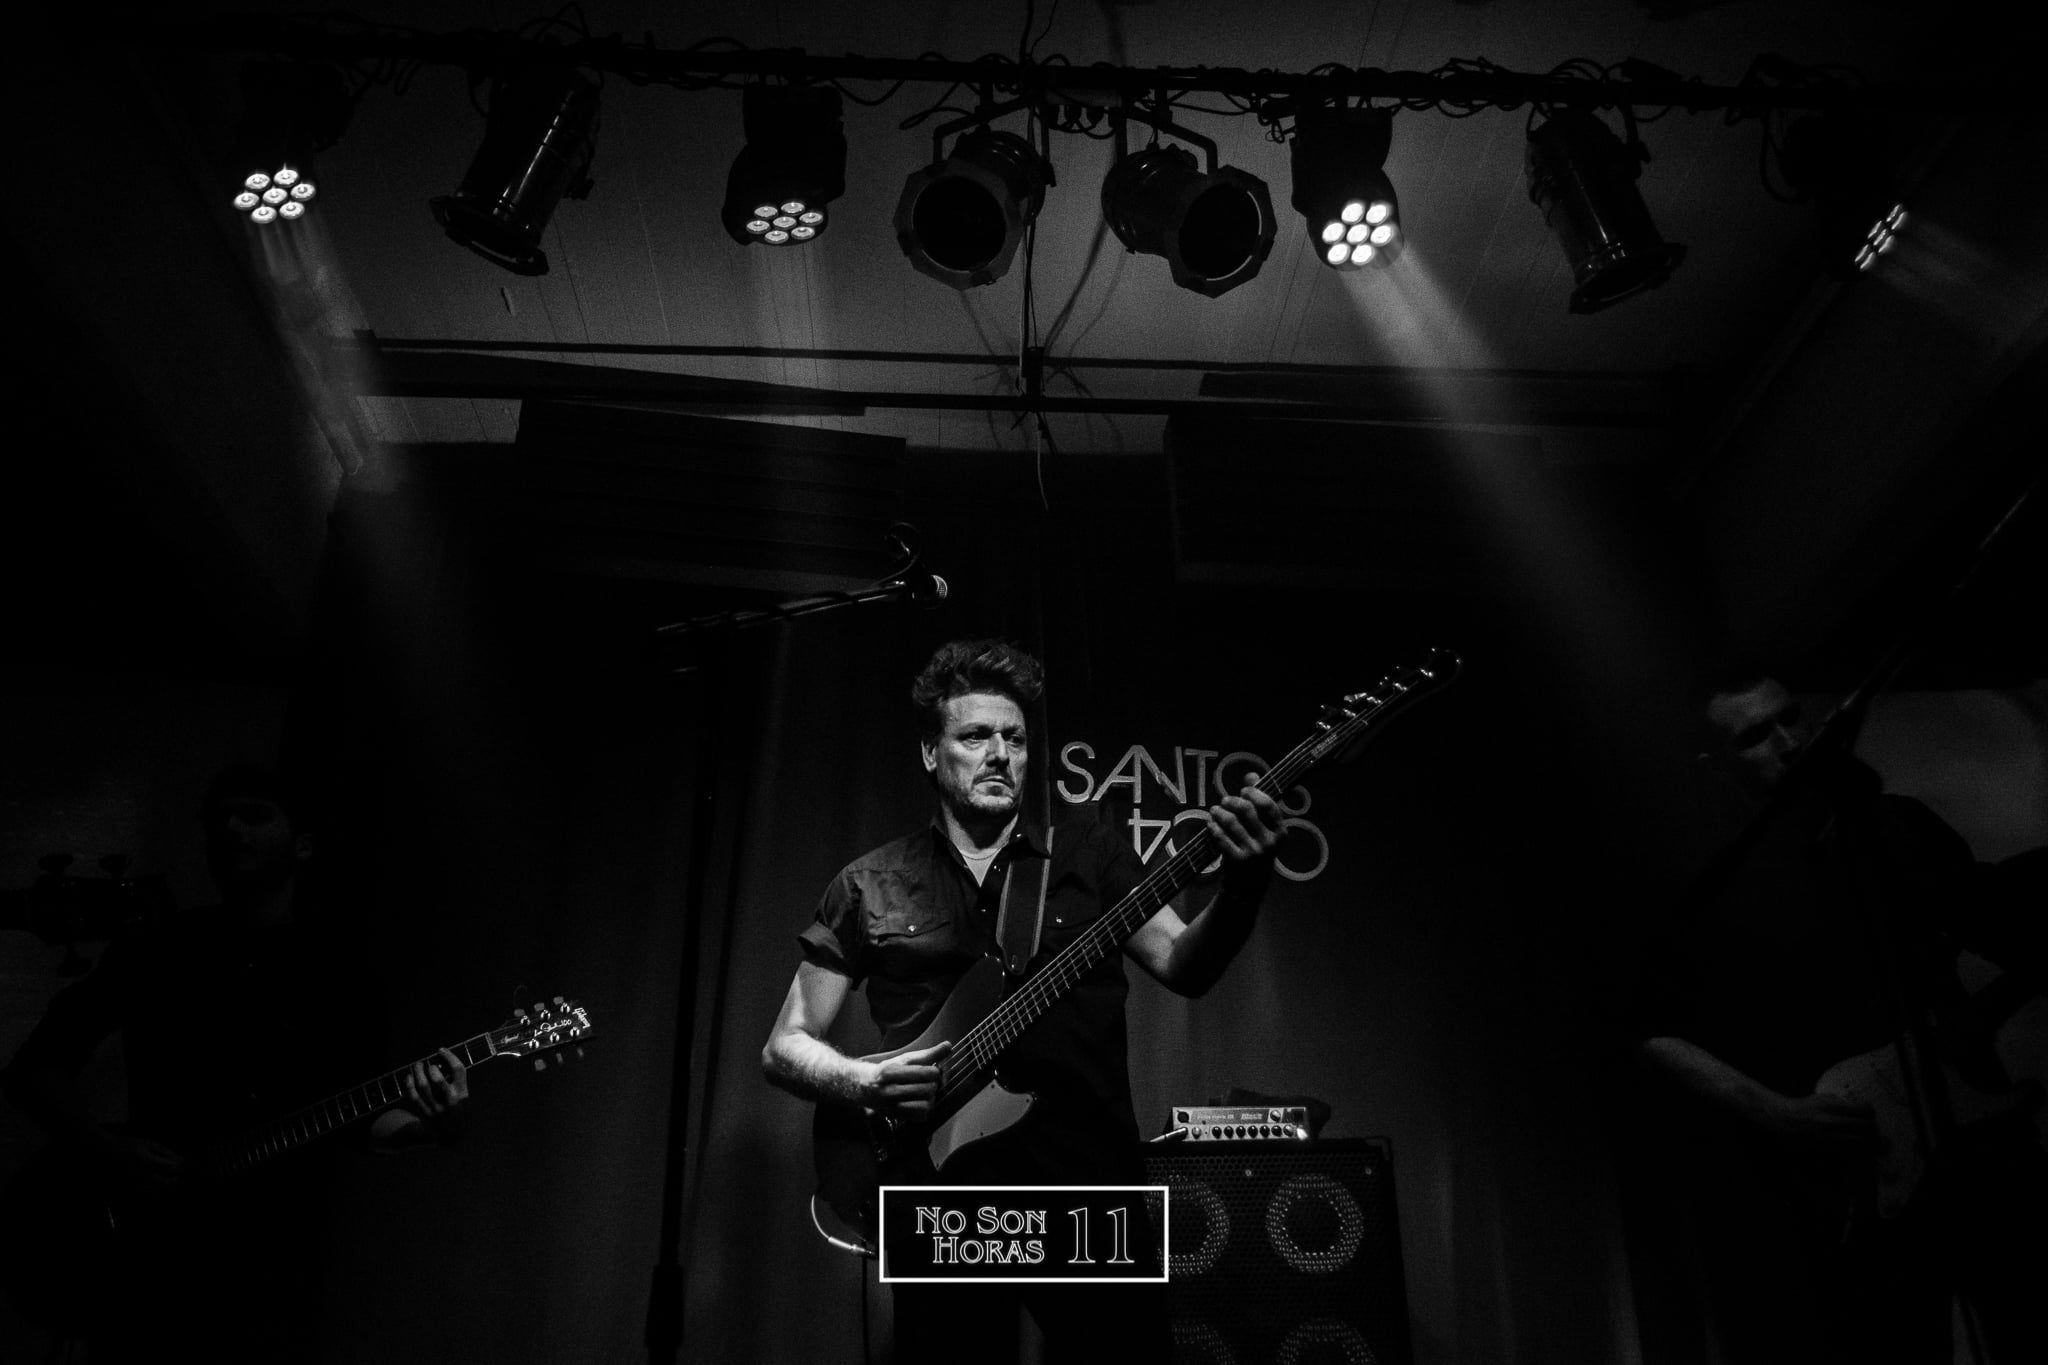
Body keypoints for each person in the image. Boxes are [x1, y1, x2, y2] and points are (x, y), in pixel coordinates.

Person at [761, 638, 1285, 1364]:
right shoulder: (868, 883)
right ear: (930, 752)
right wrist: (863, 1081)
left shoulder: (1090, 853)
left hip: (1086, 1181)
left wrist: (1244, 886)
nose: (1000, 754)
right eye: (976, 736)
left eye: (1014, 737)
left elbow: (1182, 964)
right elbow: (784, 1045)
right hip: (940, 1191)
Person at [1631, 668, 2048, 1365]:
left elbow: (2002, 926)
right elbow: (1647, 1023)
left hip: (1980, 1139)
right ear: (1713, 765)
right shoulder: (1706, 883)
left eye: (1791, 717)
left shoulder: (1894, 826)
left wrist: (1997, 997)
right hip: (1858, 1176)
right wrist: (1775, 1112)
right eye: (1755, 736)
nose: (1789, 741)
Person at [0, 761, 469, 1363]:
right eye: (218, 819)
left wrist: (435, 1127)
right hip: (141, 1263)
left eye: (253, 815)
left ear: (303, 844)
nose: (230, 829)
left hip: (266, 1275)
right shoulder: (157, 949)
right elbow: (35, 1069)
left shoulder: (341, 973)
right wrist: (108, 1151)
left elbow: (359, 1116)